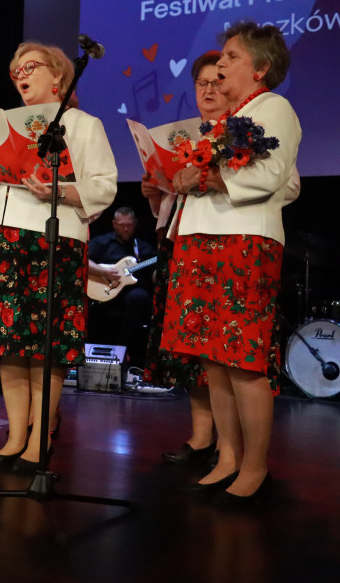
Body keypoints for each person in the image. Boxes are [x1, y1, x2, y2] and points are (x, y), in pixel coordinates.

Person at [161, 22, 300, 506]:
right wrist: (185, 177)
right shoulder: (223, 120)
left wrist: (211, 178)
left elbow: (272, 174)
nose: (219, 65)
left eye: (231, 57)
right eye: (220, 57)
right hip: (200, 237)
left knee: (242, 359)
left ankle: (255, 465)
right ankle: (227, 456)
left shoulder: (274, 108)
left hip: (244, 240)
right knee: (212, 359)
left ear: (260, 68)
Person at [0, 42, 117, 471]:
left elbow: (104, 185)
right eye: (15, 70)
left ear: (58, 76)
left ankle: (40, 439)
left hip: (53, 239)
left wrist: (60, 190)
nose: (20, 75)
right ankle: (15, 437)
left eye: (29, 67)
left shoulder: (82, 124)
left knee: (44, 346)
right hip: (1, 238)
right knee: (9, 345)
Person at [142, 51, 228, 464]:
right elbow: (175, 205)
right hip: (176, 246)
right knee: (188, 347)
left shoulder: (245, 132)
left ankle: (229, 445)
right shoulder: (187, 138)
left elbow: (285, 184)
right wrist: (156, 194)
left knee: (217, 347)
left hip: (220, 247)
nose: (208, 90)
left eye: (216, 81)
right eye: (201, 83)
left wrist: (212, 179)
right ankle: (200, 436)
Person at [87, 206, 157, 372]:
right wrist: (103, 271)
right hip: (105, 290)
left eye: (129, 225)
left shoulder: (143, 248)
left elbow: (153, 274)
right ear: (114, 224)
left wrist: (159, 272)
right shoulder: (101, 242)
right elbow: (84, 260)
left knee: (139, 298)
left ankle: (123, 347)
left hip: (132, 293)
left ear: (135, 224)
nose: (126, 228)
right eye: (122, 224)